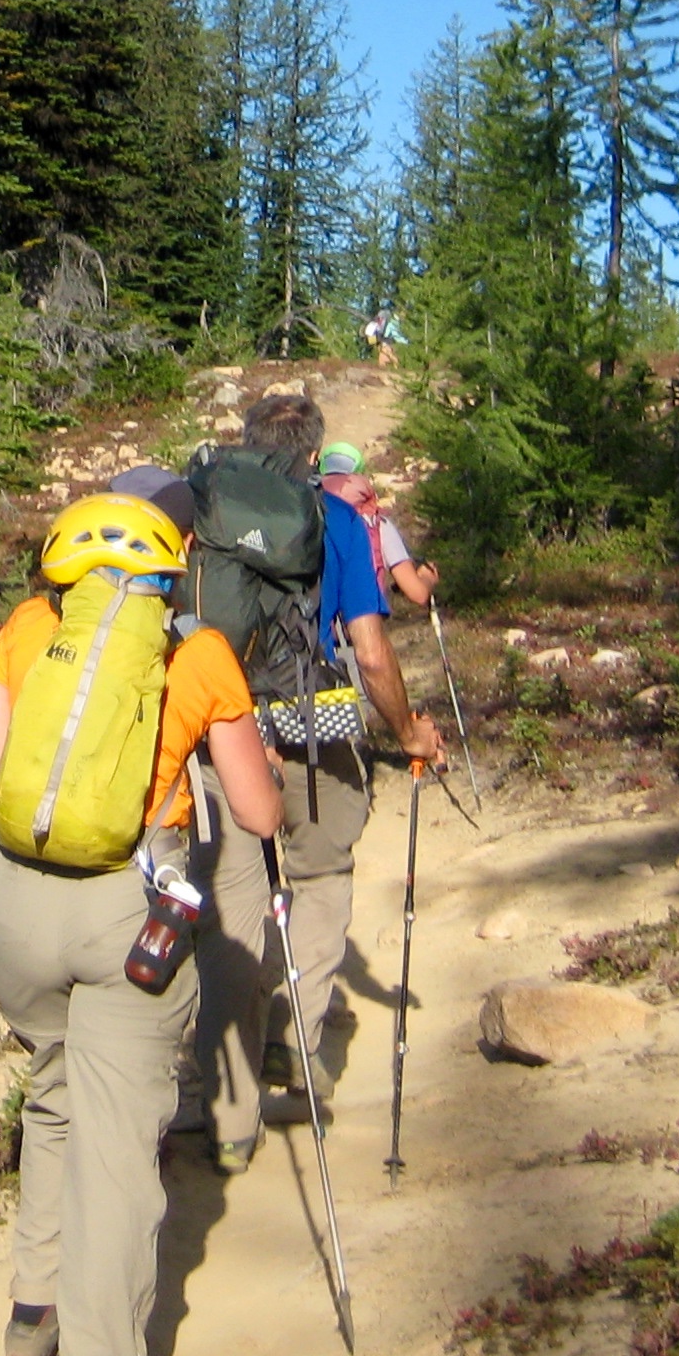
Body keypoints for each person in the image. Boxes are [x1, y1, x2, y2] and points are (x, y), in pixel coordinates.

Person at [0, 479, 284, 1356]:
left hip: (15, 905)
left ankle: (28, 1316)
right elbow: (257, 816)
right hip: (130, 919)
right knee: (117, 1158)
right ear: (167, 565)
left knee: (52, 1089)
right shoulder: (198, 653)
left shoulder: (25, 631)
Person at [187, 391, 445, 1176]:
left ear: (246, 442)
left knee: (233, 904)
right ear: (314, 453)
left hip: (224, 725)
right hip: (315, 720)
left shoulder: (208, 515)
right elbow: (369, 651)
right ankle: (295, 1046)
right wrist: (407, 733)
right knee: (322, 874)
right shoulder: (335, 522)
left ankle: (228, 1120)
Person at [318, 439, 437, 610]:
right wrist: (427, 578)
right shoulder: (377, 523)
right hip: (363, 623)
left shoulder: (306, 515)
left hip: (312, 627)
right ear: (359, 475)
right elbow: (418, 594)